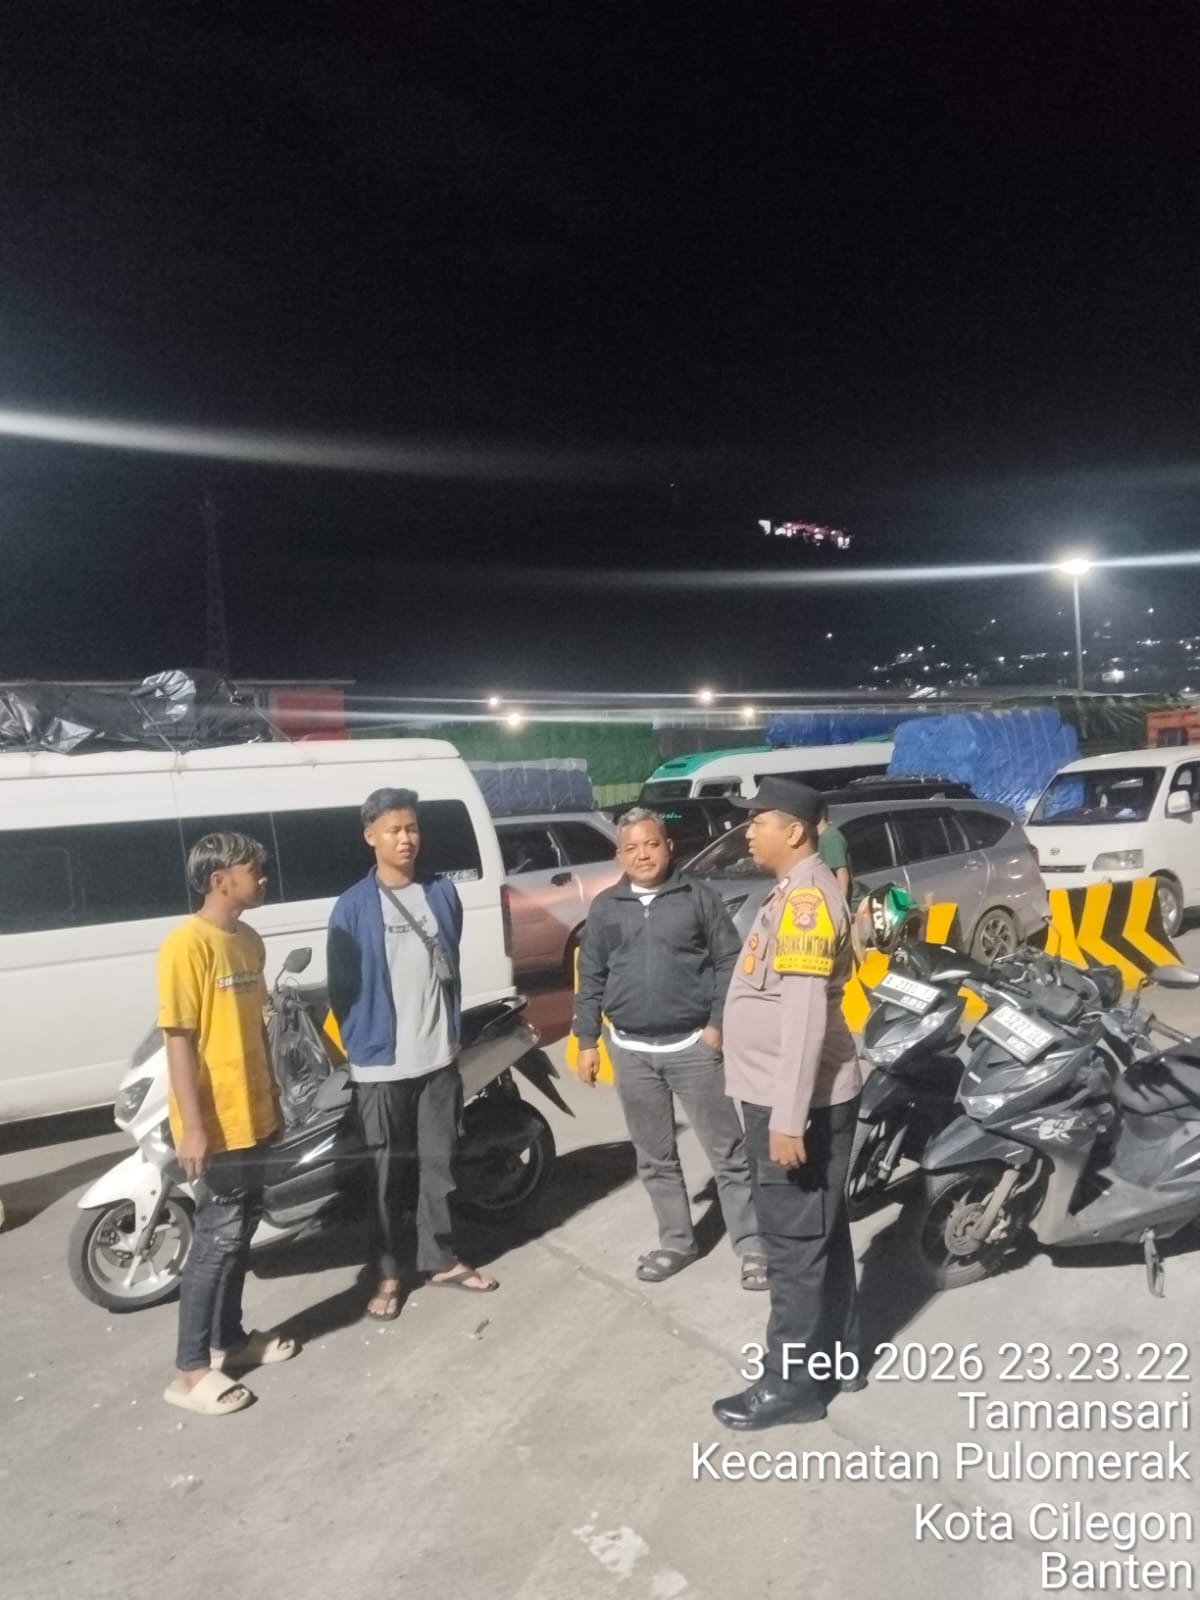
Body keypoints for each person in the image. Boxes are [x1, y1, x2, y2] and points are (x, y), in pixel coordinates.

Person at [711, 778, 864, 1430]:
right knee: (819, 1232)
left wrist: (787, 1115)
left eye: (758, 821)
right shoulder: (796, 889)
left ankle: (790, 1386)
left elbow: (803, 1016)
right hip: (789, 1094)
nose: (748, 831)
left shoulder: (805, 900)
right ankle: (839, 1356)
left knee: (793, 1246)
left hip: (795, 1099)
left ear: (794, 831)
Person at [574, 808, 767, 1289]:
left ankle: (752, 1245)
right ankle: (677, 1242)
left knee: (728, 1152)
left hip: (693, 1048)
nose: (642, 855)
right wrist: (587, 1040)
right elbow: (591, 974)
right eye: (631, 848)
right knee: (654, 1156)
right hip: (630, 1051)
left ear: (668, 846)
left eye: (651, 844)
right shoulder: (606, 907)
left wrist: (717, 1026)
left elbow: (728, 962)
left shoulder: (698, 898)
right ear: (619, 855)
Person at [328, 787, 497, 1321]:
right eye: (394, 830)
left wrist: (446, 1035)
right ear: (370, 836)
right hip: (381, 1066)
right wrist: (365, 1044)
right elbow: (342, 988)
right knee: (385, 1177)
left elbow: (450, 961)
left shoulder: (441, 893)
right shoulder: (352, 907)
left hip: (438, 1059)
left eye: (413, 828)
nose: (406, 839)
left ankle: (440, 1258)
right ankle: (387, 1273)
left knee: (438, 1167)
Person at [159, 832, 298, 1417]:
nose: (262, 876)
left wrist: (274, 1097)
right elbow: (178, 1041)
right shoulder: (186, 945)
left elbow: (257, 1029)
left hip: (254, 1111)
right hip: (213, 1122)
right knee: (215, 1240)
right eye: (252, 868)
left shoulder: (249, 940)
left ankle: (230, 1341)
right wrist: (193, 1128)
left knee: (240, 1232)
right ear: (220, 880)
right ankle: (190, 1372)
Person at [816, 800, 852, 899]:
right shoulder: (821, 838)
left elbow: (842, 874)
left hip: (843, 901)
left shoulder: (830, 837)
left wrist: (841, 903)